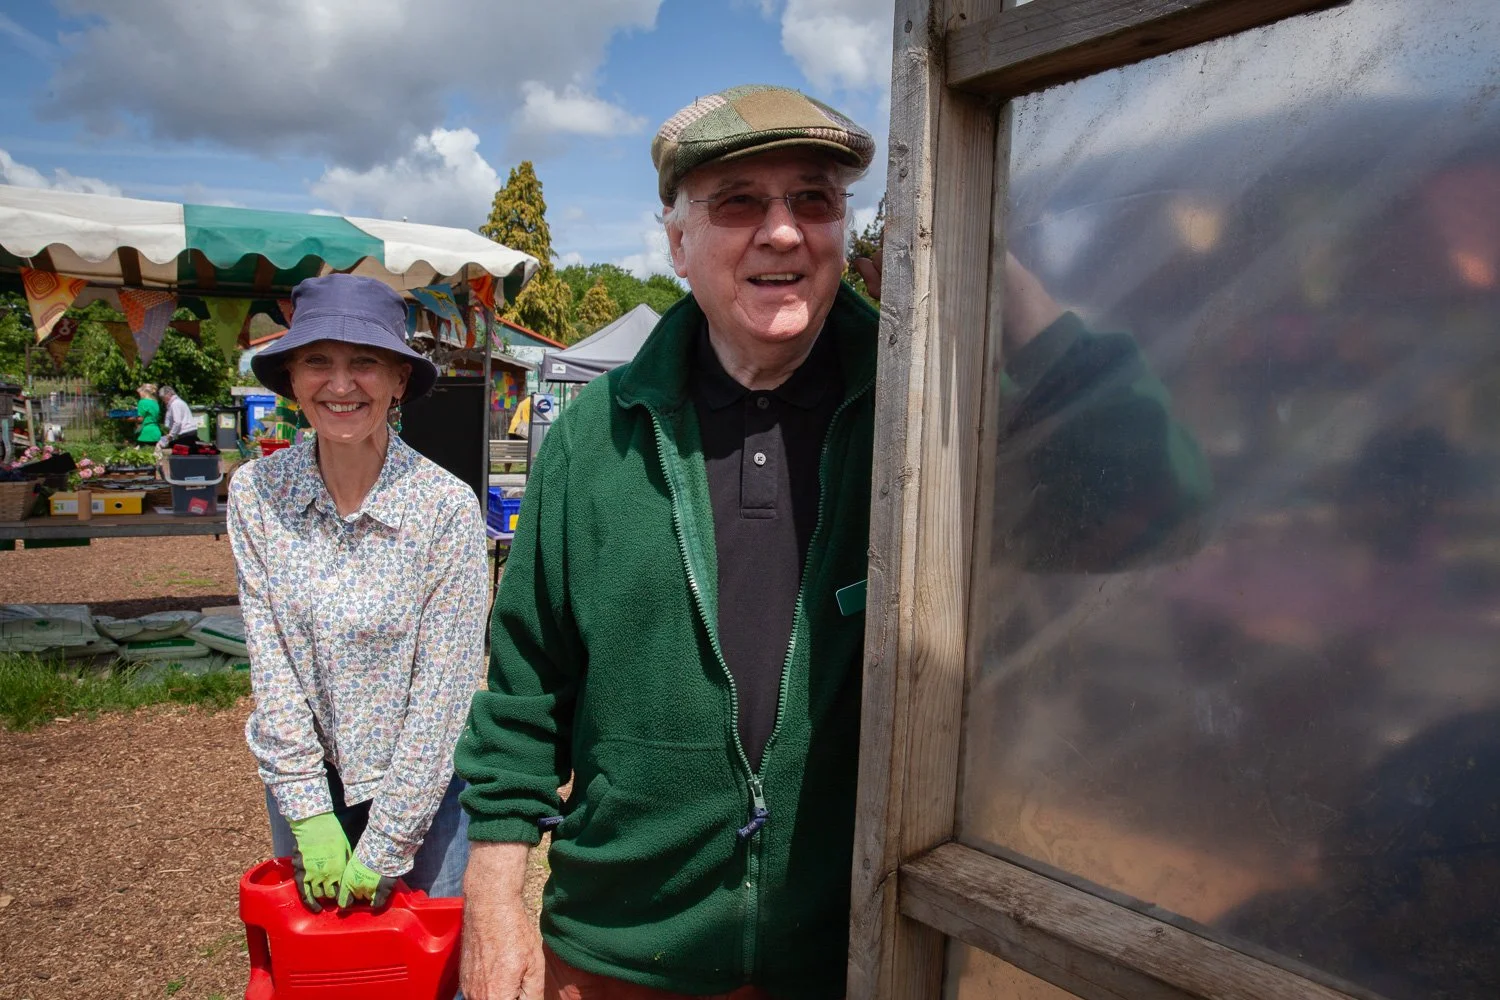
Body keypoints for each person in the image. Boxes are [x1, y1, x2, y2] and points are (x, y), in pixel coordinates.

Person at [455, 84, 1209, 1000]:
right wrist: (493, 907)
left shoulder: (928, 417)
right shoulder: (595, 439)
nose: (782, 231)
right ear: (677, 240)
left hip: (854, 956)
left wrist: (991, 280)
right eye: (739, 201)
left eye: (813, 200)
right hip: (620, 955)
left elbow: (1156, 506)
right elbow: (525, 692)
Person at [228, 273, 488, 921]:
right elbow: (272, 663)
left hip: (424, 794)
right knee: (325, 973)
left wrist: (390, 837)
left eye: (365, 362)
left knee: (425, 976)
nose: (340, 385)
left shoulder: (444, 509)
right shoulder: (258, 494)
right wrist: (309, 808)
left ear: (400, 379)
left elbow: (445, 692)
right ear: (291, 376)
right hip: (307, 790)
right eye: (318, 360)